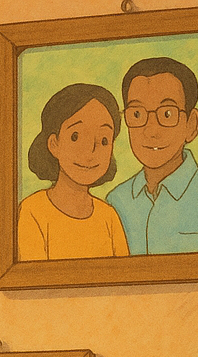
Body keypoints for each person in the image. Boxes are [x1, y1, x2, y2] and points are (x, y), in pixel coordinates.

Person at [106, 56, 198, 254]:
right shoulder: (116, 201)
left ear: (192, 125)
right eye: (137, 114)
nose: (151, 130)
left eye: (167, 114)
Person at [17, 83, 130, 260]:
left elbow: (125, 275)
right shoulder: (33, 211)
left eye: (103, 140)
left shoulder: (109, 216)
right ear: (54, 144)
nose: (90, 151)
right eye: (75, 136)